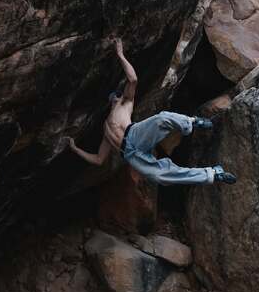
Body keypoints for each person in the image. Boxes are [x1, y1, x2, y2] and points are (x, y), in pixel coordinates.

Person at [66, 38, 237, 185]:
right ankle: (213, 174)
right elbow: (98, 159)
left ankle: (193, 122)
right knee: (159, 176)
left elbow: (133, 79)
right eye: (113, 96)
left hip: (135, 135)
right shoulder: (105, 129)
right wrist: (75, 148)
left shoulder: (126, 103)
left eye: (117, 95)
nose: (115, 97)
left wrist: (120, 54)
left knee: (162, 119)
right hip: (131, 155)